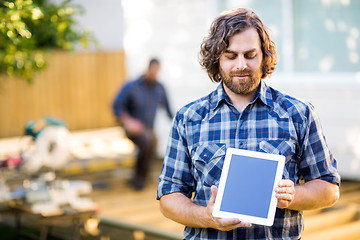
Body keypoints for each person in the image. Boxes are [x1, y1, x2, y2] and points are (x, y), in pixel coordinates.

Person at [157, 8, 340, 239]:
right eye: (231, 56)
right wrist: (207, 216)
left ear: (264, 55)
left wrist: (293, 195)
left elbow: (329, 189)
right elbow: (168, 197)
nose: (241, 64)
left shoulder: (299, 114)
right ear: (217, 59)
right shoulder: (188, 118)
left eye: (250, 55)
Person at [113, 58, 173, 190]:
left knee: (151, 140)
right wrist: (128, 121)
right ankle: (139, 180)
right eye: (152, 71)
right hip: (131, 128)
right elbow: (116, 106)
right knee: (148, 140)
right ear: (147, 68)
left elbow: (169, 112)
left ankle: (141, 178)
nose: (154, 75)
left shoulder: (159, 88)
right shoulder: (131, 86)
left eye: (157, 72)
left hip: (148, 130)